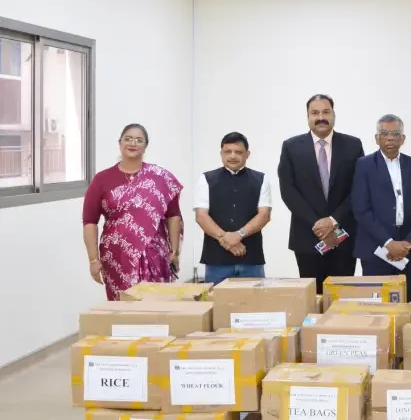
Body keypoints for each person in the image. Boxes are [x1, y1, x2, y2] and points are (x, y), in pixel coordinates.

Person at [82, 124, 183, 300]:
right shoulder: (102, 179)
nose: (133, 143)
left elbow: (173, 215)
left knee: (157, 305)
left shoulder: (160, 177)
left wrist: (174, 251)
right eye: (128, 139)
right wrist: (93, 260)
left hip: (154, 253)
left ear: (146, 146)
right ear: (119, 143)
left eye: (139, 140)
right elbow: (89, 221)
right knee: (123, 306)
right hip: (118, 257)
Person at [277, 94, 364, 294]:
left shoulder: (353, 145)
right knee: (312, 299)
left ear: (334, 115)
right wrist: (318, 224)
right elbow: (288, 190)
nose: (321, 117)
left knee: (342, 297)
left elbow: (358, 188)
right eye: (314, 113)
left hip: (343, 236)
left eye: (326, 112)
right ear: (307, 117)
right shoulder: (291, 147)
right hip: (307, 236)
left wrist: (333, 221)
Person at [351, 114, 411, 302]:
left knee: (406, 302)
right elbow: (361, 209)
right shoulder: (364, 165)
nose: (390, 139)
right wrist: (388, 242)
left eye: (395, 134)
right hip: (375, 250)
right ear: (376, 138)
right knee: (377, 306)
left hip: (408, 251)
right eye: (385, 134)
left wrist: (409, 242)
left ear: (403, 139)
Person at [193, 132, 272, 285]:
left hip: (251, 259)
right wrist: (225, 238)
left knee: (254, 300)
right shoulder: (206, 179)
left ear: (247, 154)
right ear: (221, 154)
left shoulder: (261, 179)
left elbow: (264, 215)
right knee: (217, 300)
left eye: (238, 152)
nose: (232, 156)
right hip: (216, 260)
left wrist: (239, 235)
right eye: (228, 151)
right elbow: (201, 216)